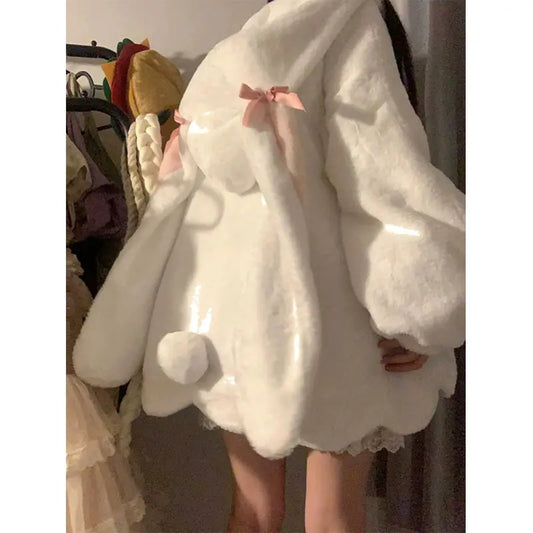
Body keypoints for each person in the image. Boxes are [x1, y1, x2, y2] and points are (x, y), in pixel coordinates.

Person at [74, 1, 465, 531]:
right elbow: (384, 178)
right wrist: (422, 316)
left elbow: (189, 177)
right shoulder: (356, 24)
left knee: (253, 512)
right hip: (341, 322)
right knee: (333, 517)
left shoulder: (237, 54)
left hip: (236, 315)